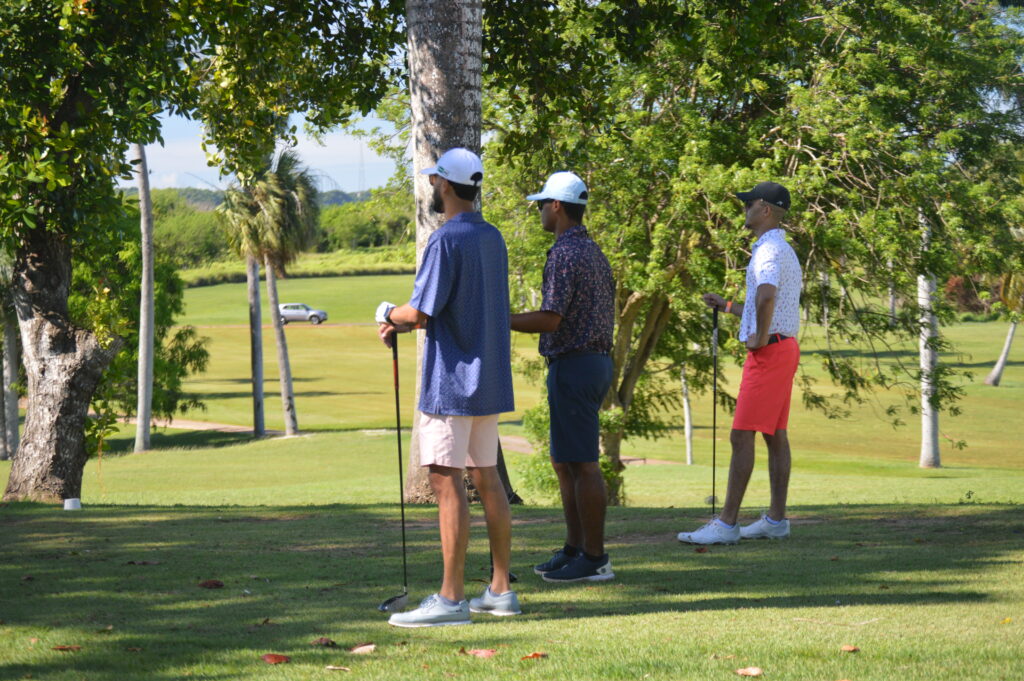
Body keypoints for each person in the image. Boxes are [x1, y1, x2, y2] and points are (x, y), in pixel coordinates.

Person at [375, 148, 518, 627]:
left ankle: (451, 599)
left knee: (445, 479)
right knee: (487, 477)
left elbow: (419, 314)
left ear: (445, 184)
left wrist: (386, 314)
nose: (432, 186)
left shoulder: (445, 241)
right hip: (489, 380)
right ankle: (500, 590)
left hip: (451, 382)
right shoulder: (493, 237)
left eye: (434, 180)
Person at [677, 181, 802, 545]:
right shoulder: (782, 248)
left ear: (765, 209)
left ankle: (727, 524)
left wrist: (759, 338)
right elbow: (765, 305)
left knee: (740, 434)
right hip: (784, 347)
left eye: (749, 204)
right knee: (774, 435)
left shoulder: (767, 251)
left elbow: (766, 298)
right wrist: (728, 307)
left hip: (769, 352)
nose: (744, 209)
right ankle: (776, 520)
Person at [511, 171, 616, 582]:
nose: (539, 210)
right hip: (585, 363)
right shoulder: (591, 250)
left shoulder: (565, 253)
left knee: (583, 464)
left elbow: (551, 319)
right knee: (565, 462)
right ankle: (575, 547)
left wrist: (499, 320)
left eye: (541, 203)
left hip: (576, 363)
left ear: (556, 205)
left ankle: (594, 558)